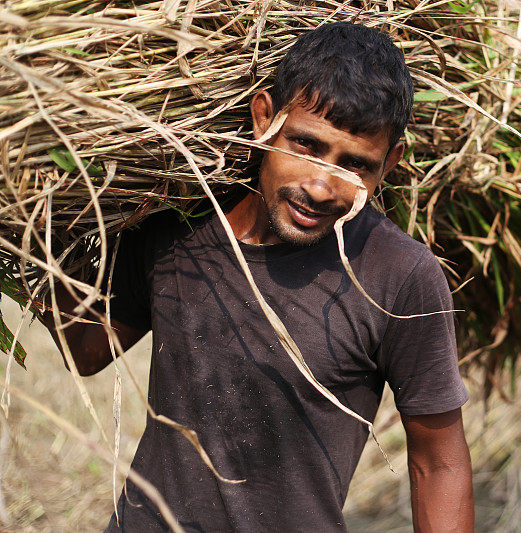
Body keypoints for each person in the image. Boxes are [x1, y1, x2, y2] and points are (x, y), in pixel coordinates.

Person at [42, 22, 473, 532]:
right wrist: (36, 239)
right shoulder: (176, 227)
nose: (319, 186)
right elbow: (86, 350)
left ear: (390, 163)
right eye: (306, 146)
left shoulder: (397, 274)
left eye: (355, 165)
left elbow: (437, 461)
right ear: (264, 118)